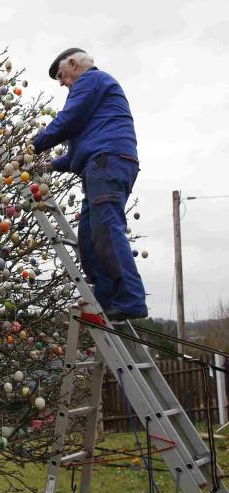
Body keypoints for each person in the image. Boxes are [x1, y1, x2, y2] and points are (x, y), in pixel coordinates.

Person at [33, 48, 148, 322]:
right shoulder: (95, 103)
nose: (62, 83)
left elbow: (67, 121)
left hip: (107, 162)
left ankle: (130, 299)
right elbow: (75, 155)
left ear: (73, 64)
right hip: (100, 164)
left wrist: (33, 146)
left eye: (61, 76)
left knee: (107, 229)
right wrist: (48, 165)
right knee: (88, 236)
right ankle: (106, 298)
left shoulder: (91, 81)